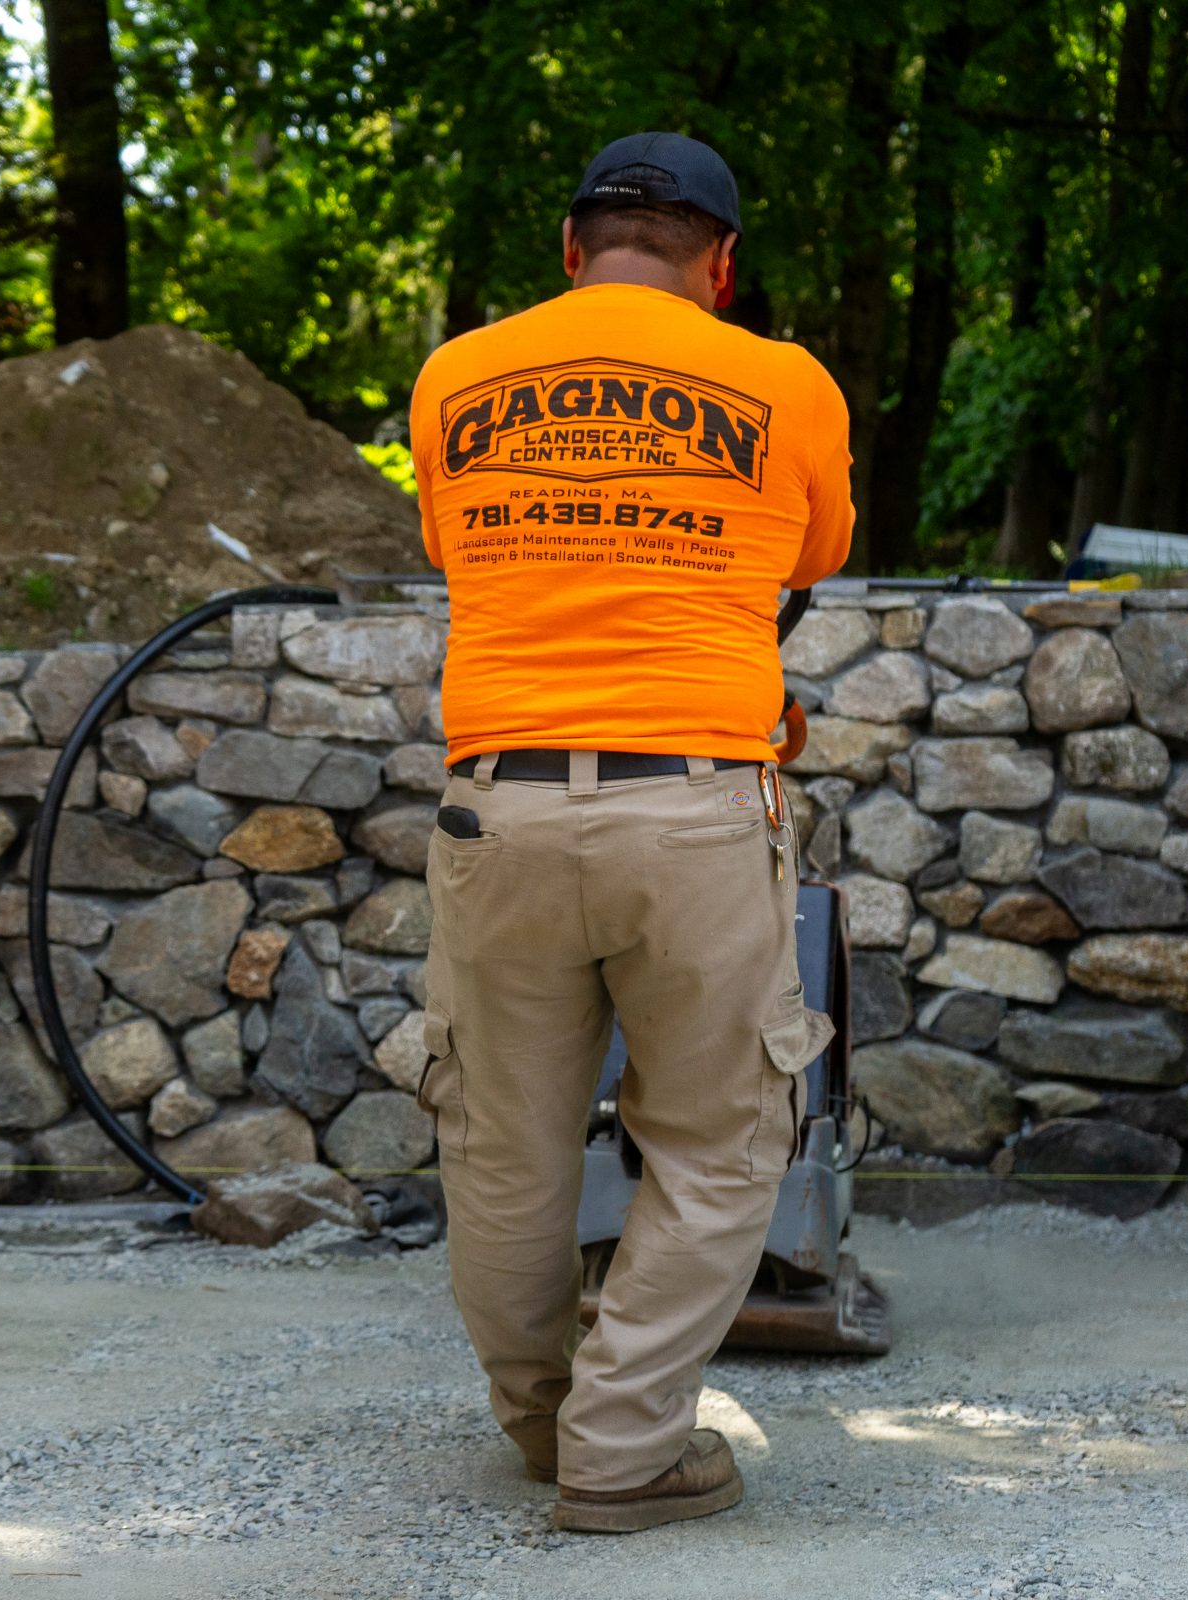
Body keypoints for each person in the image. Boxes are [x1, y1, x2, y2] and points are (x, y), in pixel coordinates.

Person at [405, 131, 854, 1534]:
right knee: (723, 1140)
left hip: (501, 805)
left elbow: (447, 544)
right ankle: (624, 1444)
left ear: (568, 248)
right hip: (698, 811)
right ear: (723, 267)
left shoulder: (457, 376)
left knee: (502, 1141)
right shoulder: (783, 383)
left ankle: (549, 1428)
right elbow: (809, 556)